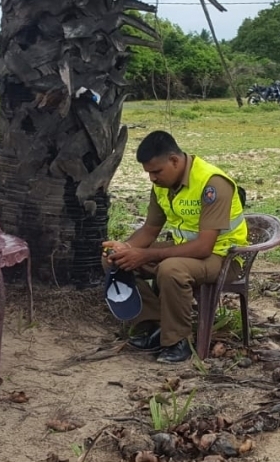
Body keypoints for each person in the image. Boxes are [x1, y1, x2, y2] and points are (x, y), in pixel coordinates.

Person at [103, 130, 248, 364]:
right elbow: (150, 229)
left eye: (156, 171)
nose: (152, 178)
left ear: (174, 160)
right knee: (115, 259)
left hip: (223, 257)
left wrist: (145, 255)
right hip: (186, 250)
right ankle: (153, 325)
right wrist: (125, 247)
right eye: (148, 173)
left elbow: (203, 247)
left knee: (171, 269)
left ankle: (178, 341)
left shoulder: (212, 184)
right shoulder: (162, 184)